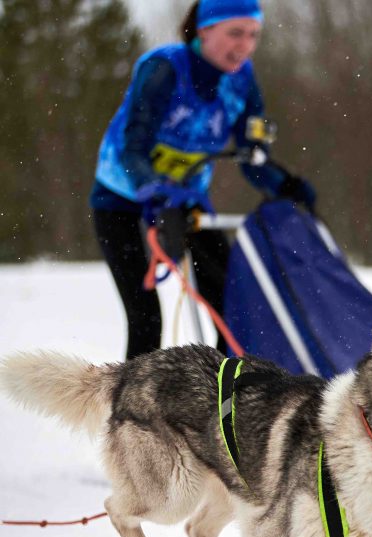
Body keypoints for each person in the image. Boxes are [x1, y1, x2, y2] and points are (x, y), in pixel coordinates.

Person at [90, 0, 315, 360]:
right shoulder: (164, 69)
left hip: (185, 199)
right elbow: (133, 150)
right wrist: (154, 193)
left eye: (253, 35)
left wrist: (285, 186)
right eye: (235, 33)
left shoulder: (241, 81)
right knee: (146, 316)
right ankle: (130, 409)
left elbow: (251, 158)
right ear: (205, 30)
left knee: (234, 307)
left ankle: (219, 399)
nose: (244, 45)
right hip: (121, 197)